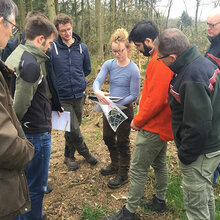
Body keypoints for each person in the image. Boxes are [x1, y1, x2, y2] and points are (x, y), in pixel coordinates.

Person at [104, 20, 173, 219]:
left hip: (154, 127)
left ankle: (129, 212)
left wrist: (138, 120)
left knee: (137, 169)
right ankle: (159, 201)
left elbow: (157, 99)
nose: (138, 50)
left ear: (149, 40)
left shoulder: (160, 61)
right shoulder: (159, 58)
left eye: (139, 46)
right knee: (159, 163)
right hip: (161, 125)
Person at [154, 28, 220, 220]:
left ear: (172, 57)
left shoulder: (191, 76)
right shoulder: (201, 63)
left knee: (195, 206)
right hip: (211, 146)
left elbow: (199, 125)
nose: (160, 61)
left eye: (161, 58)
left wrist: (185, 155)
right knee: (205, 194)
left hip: (200, 152)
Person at [6, 15, 58, 220]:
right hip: (34, 134)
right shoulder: (31, 64)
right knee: (36, 186)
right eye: (50, 43)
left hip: (25, 132)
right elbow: (19, 105)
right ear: (40, 39)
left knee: (24, 183)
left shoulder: (16, 54)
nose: (49, 47)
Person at [93, 28, 140, 189]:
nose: (117, 54)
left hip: (124, 109)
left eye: (120, 51)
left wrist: (118, 103)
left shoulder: (133, 69)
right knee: (107, 137)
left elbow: (134, 95)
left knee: (122, 142)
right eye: (114, 51)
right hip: (110, 108)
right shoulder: (109, 64)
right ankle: (115, 163)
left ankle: (123, 173)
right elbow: (97, 81)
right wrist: (98, 91)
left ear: (127, 48)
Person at [0, 0, 34, 219]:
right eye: (12, 26)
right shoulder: (30, 63)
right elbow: (6, 146)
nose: (12, 33)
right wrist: (27, 149)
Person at [51, 13, 98, 171]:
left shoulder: (82, 48)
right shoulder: (52, 48)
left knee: (71, 128)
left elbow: (87, 69)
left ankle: (68, 156)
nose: (67, 33)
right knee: (74, 129)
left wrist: (77, 81)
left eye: (69, 29)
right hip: (62, 97)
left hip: (79, 95)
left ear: (72, 27)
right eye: (63, 30)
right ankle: (86, 153)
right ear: (58, 31)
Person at [205, 8, 220, 186]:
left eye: (212, 25)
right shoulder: (213, 42)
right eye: (207, 24)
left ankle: (211, 178)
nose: (208, 28)